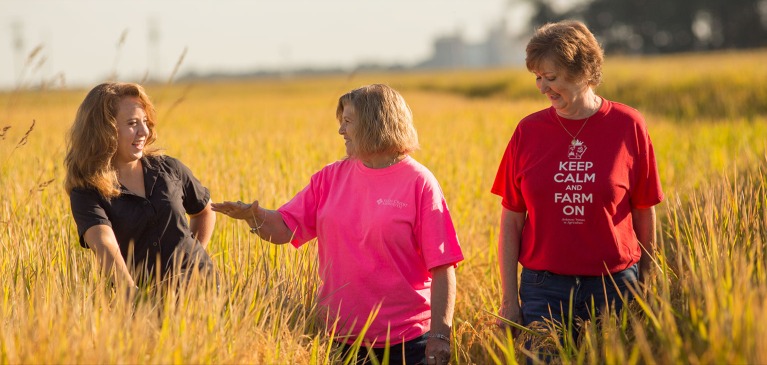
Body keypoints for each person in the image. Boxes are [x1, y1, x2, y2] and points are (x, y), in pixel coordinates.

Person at [213, 84, 463, 365]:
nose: (341, 131)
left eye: (347, 122)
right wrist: (253, 216)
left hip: (408, 343)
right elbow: (285, 228)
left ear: (374, 123)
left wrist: (440, 335)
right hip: (341, 341)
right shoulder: (329, 178)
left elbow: (443, 266)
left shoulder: (419, 182)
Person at [491, 20, 664, 337]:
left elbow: (644, 209)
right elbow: (511, 220)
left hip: (614, 286)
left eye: (551, 78)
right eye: (538, 78)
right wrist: (509, 300)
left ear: (584, 71)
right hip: (543, 289)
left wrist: (648, 282)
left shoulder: (629, 125)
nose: (542, 88)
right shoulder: (527, 132)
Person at [65, 82, 217, 289]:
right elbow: (104, 244)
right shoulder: (87, 192)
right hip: (144, 298)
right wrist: (133, 297)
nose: (144, 131)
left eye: (145, 121)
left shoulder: (170, 169)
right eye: (132, 123)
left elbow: (204, 212)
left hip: (204, 289)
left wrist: (190, 262)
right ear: (104, 131)